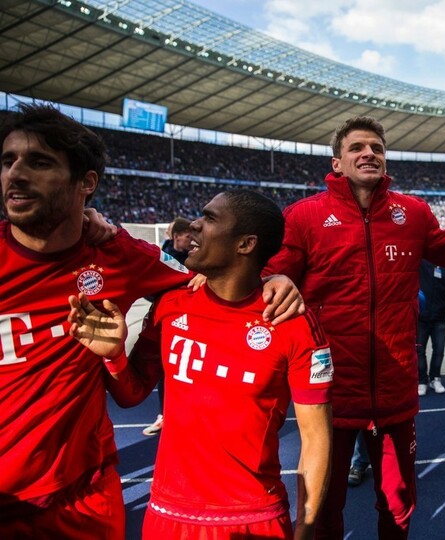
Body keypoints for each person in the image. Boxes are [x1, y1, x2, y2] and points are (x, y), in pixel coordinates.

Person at [0, 104, 302, 539]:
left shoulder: (119, 255)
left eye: (39, 162)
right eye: (8, 161)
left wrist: (273, 279)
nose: (15, 173)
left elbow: (219, 275)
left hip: (84, 496)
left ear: (87, 183)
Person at [68, 189, 333, 539]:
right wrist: (114, 356)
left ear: (245, 244)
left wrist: (306, 531)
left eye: (209, 218)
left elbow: (316, 439)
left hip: (254, 518)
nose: (193, 224)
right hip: (167, 515)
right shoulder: (171, 304)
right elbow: (131, 395)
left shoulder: (293, 322)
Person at [263, 116, 445, 539]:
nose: (368, 153)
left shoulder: (413, 213)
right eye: (356, 147)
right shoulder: (304, 216)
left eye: (376, 147)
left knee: (398, 506)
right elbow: (268, 277)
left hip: (395, 390)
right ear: (337, 163)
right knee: (323, 507)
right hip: (329, 393)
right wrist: (272, 277)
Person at [143, 216, 193, 436]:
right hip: (171, 321)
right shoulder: (165, 258)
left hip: (190, 319)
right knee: (168, 368)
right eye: (188, 236)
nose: (192, 240)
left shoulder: (194, 257)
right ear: (177, 236)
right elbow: (148, 288)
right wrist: (166, 298)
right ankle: (165, 415)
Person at [416, 259, 445, 396]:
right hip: (421, 316)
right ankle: (422, 380)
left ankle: (435, 378)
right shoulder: (420, 261)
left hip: (440, 314)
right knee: (419, 350)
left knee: (439, 350)